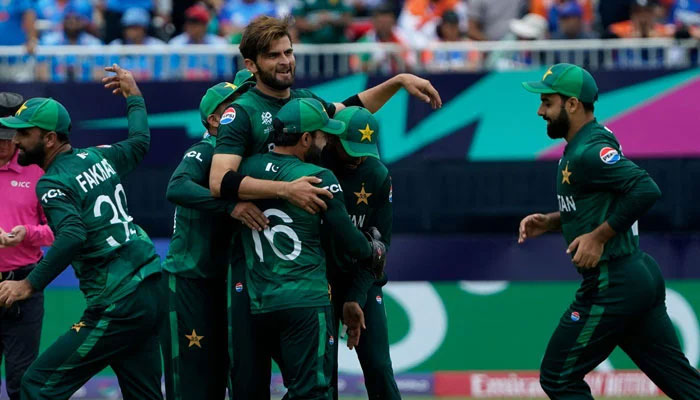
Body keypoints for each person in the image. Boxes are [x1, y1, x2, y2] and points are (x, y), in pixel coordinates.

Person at [207, 15, 440, 396]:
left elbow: (348, 109)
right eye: (273, 56)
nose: (285, 62)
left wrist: (398, 82)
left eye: (289, 52)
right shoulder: (241, 111)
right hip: (255, 263)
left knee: (317, 383)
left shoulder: (303, 102)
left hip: (309, 266)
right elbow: (220, 181)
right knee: (251, 383)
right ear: (251, 65)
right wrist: (286, 191)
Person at [519, 63, 700, 399]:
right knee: (685, 385)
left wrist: (598, 236)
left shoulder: (589, 150)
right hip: (635, 274)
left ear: (572, 104)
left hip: (612, 281)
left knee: (558, 378)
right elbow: (601, 201)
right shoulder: (587, 141)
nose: (540, 110)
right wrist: (552, 220)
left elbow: (646, 189)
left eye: (547, 102)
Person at [0, 65, 163, 400]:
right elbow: (140, 142)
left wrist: (27, 284)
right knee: (144, 393)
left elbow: (72, 235)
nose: (15, 139)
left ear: (48, 139)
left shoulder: (52, 181)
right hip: (151, 284)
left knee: (36, 385)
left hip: (117, 299)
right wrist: (134, 97)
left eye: (24, 133)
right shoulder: (98, 156)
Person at [237, 97, 387, 399]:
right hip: (305, 298)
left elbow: (213, 188)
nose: (327, 140)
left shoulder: (246, 169)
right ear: (305, 138)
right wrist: (373, 248)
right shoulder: (320, 177)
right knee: (313, 391)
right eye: (322, 134)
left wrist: (233, 206)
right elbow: (351, 241)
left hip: (258, 300)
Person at [160, 69, 258, 400]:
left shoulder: (240, 151)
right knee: (190, 381)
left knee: (219, 374)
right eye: (232, 107)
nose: (242, 110)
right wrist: (230, 206)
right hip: (188, 279)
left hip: (219, 280)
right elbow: (176, 187)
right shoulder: (207, 149)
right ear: (215, 120)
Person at [321, 106, 400, 400]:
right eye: (350, 148)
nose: (359, 156)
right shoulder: (316, 166)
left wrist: (355, 296)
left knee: (379, 367)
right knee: (323, 372)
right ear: (333, 138)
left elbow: (381, 245)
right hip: (320, 281)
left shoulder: (378, 174)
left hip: (363, 278)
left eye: (364, 149)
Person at [0, 92, 54, 400]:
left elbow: (60, 231)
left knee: (22, 383)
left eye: (11, 136)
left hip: (25, 285)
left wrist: (28, 233)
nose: (6, 144)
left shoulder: (38, 170)